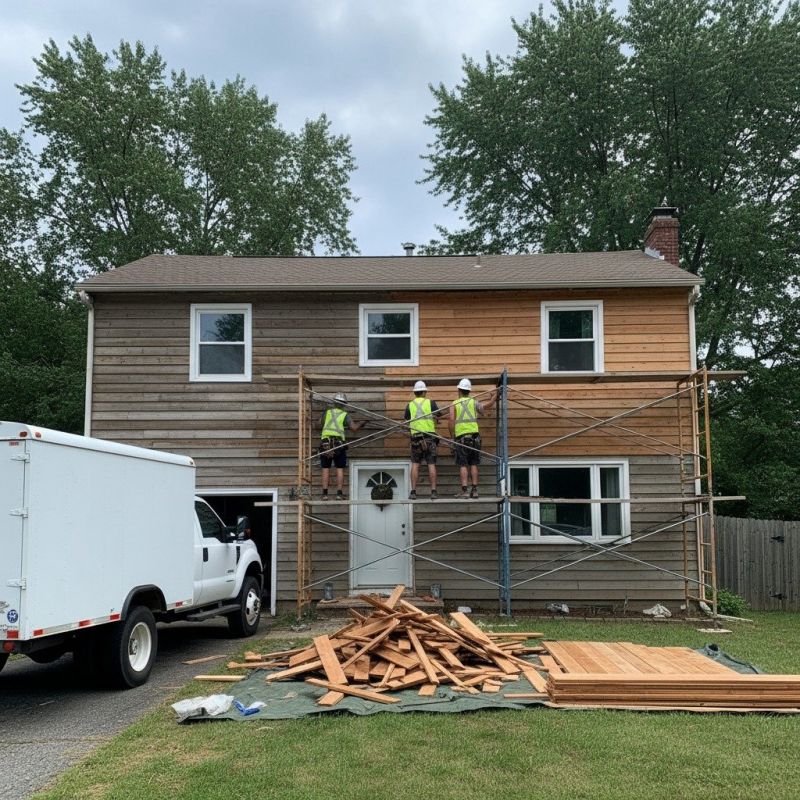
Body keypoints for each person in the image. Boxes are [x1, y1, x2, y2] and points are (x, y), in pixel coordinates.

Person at [449, 378, 496, 499]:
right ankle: (475, 490)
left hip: (461, 438)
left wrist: (452, 437)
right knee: (474, 463)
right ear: (469, 391)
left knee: (463, 464)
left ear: (459, 390)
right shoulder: (474, 402)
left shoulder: (454, 403)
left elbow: (451, 421)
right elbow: (488, 405)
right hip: (475, 437)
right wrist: (494, 397)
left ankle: (465, 491)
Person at [319, 393, 365, 500]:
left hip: (325, 443)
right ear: (344, 404)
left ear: (334, 402)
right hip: (338, 444)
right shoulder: (345, 415)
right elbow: (354, 428)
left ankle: (325, 494)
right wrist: (361, 423)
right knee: (339, 468)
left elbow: (319, 423)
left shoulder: (327, 412)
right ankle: (339, 494)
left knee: (325, 468)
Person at [404, 380, 442, 500]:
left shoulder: (409, 405)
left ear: (415, 392)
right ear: (425, 391)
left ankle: (413, 492)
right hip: (429, 437)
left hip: (415, 438)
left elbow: (407, 420)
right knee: (431, 464)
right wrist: (435, 418)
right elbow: (439, 414)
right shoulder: (431, 403)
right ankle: (434, 491)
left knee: (415, 464)